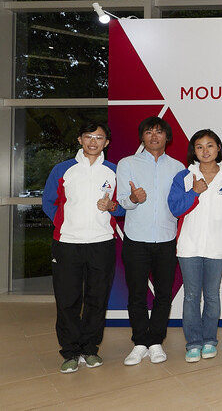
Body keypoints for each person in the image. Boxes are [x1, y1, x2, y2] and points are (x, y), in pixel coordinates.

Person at [42, 122, 125, 373]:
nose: (93, 141)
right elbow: (49, 202)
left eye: (99, 137)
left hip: (102, 243)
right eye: (89, 136)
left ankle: (89, 349)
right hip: (67, 243)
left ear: (106, 143)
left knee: (96, 299)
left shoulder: (114, 171)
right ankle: (70, 352)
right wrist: (67, 224)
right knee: (67, 300)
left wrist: (111, 206)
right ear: (80, 139)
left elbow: (121, 208)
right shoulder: (63, 169)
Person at [116, 116, 186, 366]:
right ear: (141, 137)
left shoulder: (178, 167)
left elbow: (181, 204)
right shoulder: (127, 164)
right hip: (136, 239)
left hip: (167, 239)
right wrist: (133, 198)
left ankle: (155, 341)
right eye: (148, 132)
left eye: (159, 132)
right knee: (136, 294)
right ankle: (139, 342)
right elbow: (122, 201)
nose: (154, 136)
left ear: (167, 137)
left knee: (163, 294)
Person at [168, 129, 222, 362]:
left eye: (210, 145)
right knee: (192, 296)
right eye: (199, 146)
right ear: (193, 151)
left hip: (217, 245)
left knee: (212, 296)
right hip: (189, 245)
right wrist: (194, 193)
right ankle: (193, 343)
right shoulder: (184, 177)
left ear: (218, 148)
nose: (205, 151)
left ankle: (209, 341)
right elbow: (175, 208)